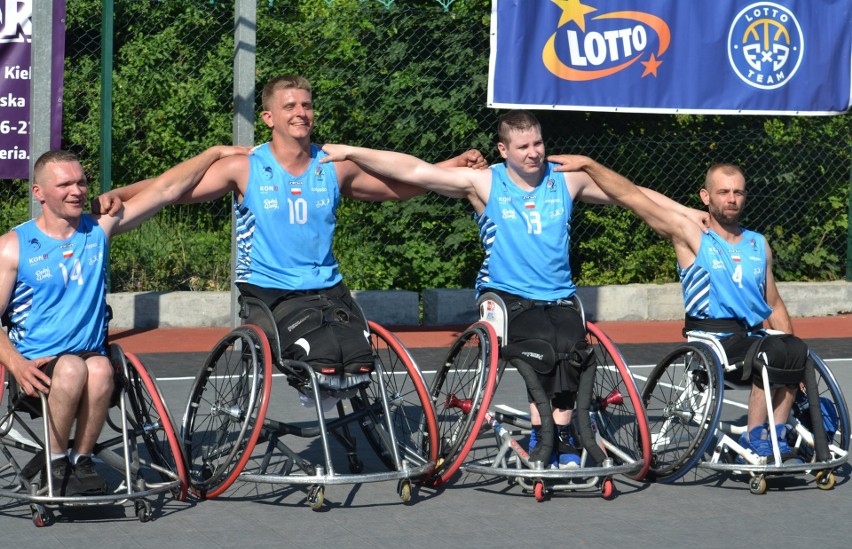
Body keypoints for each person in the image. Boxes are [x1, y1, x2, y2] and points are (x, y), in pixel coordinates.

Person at [319, 109, 706, 469]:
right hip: (506, 297)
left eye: (538, 143)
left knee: (573, 347)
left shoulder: (567, 178)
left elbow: (631, 195)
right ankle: (546, 433)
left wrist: (686, 212)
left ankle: (566, 432)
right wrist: (352, 151)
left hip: (558, 295)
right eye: (523, 147)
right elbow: (415, 171)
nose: (534, 152)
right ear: (504, 150)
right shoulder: (486, 181)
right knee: (541, 344)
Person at [100, 74, 486, 398]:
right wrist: (124, 193)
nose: (301, 112)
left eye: (306, 105)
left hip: (327, 288)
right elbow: (172, 188)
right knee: (318, 354)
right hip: (269, 293)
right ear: (269, 117)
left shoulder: (333, 166)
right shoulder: (245, 167)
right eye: (290, 106)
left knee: (359, 355)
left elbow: (395, 187)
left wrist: (450, 167)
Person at [0, 145, 249, 496]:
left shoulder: (98, 229)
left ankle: (80, 460)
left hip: (88, 358)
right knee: (72, 368)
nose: (77, 191)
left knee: (100, 369)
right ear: (38, 192)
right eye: (65, 185)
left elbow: (165, 189)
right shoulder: (13, 246)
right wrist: (17, 364)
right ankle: (55, 463)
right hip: (37, 365)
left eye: (82, 182)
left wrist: (214, 152)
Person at [549, 156, 808, 460]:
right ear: (706, 196)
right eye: (723, 192)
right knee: (772, 352)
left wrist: (792, 352)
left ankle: (777, 431)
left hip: (752, 338)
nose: (732, 199)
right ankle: (756, 435)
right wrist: (590, 165)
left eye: (738, 192)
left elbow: (774, 304)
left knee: (793, 349)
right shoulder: (691, 235)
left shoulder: (757, 244)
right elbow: (632, 197)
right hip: (716, 342)